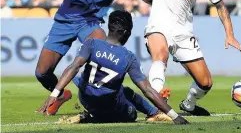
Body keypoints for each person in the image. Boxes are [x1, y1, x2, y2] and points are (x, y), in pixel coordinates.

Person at [35, 0, 154, 116]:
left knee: (104, 53)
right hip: (64, 21)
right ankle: (59, 95)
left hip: (89, 24)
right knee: (42, 73)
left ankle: (114, 98)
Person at [38, 10, 188, 125]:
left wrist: (55, 93)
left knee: (125, 91)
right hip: (107, 104)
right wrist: (175, 116)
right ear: (126, 32)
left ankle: (154, 113)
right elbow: (147, 89)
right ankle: (90, 117)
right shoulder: (128, 57)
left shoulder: (91, 43)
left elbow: (74, 67)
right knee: (132, 115)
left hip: (85, 97)